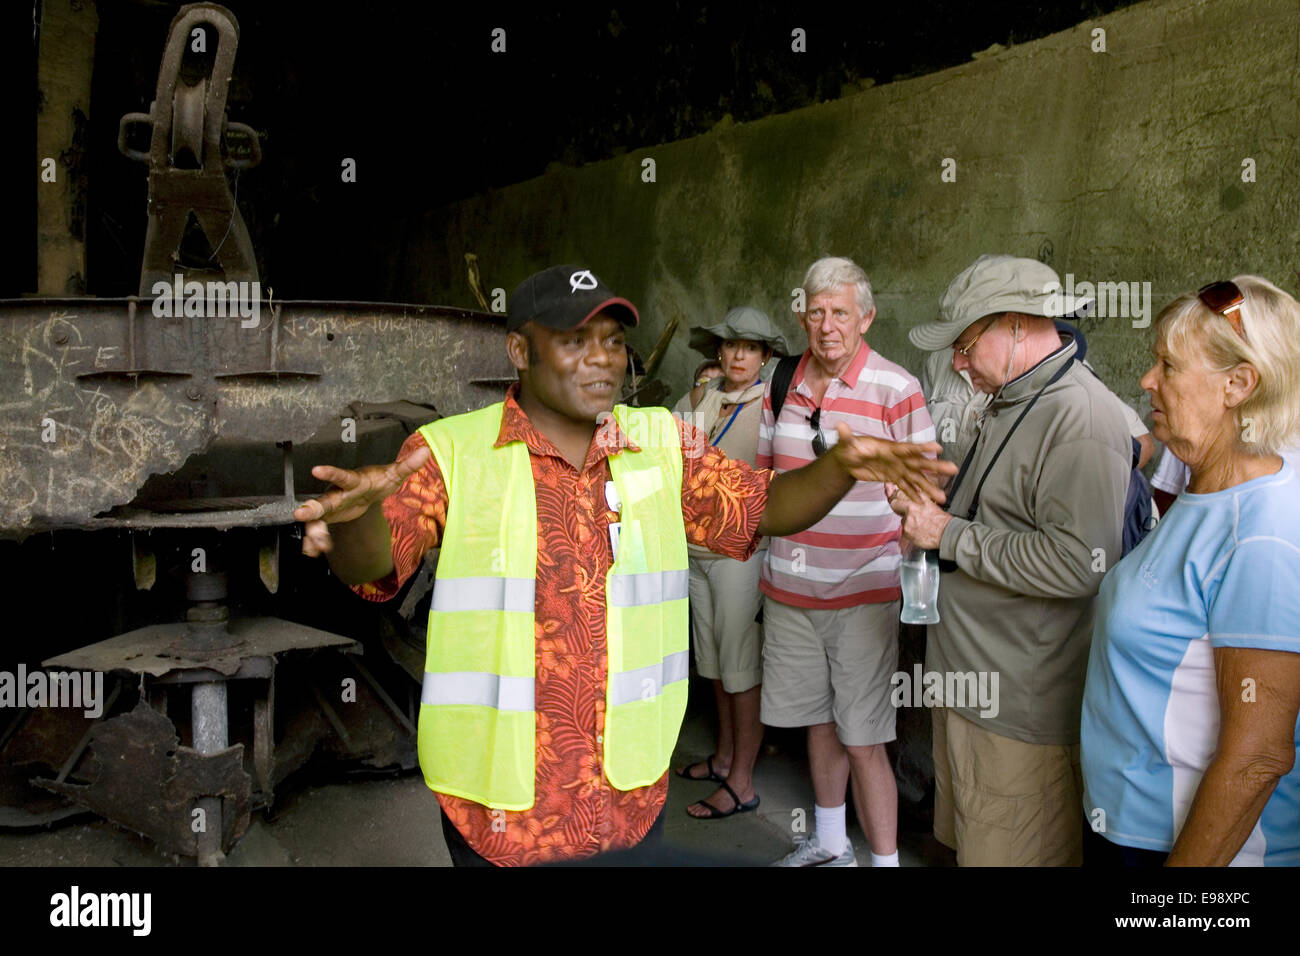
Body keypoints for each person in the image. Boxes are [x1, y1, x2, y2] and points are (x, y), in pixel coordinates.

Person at [292, 264, 955, 867]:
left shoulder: (661, 443)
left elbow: (763, 509)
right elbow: (374, 564)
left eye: (613, 340)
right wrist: (354, 519)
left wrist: (839, 467)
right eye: (575, 341)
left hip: (625, 803)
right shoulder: (453, 450)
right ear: (520, 351)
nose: (603, 359)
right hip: (497, 811)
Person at [888, 253, 1132, 866]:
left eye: (966, 345)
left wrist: (946, 532)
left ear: (1018, 326)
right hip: (972, 693)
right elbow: (998, 520)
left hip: (1016, 715)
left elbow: (1081, 563)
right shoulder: (1016, 399)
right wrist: (929, 505)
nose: (957, 363)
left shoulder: (1078, 414)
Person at [1081, 275, 1300, 866]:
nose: (1147, 380)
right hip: (1132, 824)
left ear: (1238, 384)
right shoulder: (1205, 486)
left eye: (1168, 366)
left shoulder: (1265, 528)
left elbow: (1259, 755)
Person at [761, 256, 935, 867]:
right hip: (789, 590)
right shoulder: (778, 384)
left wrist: (904, 502)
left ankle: (884, 862)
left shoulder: (898, 387)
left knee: (864, 737)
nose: (827, 324)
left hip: (864, 590)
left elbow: (925, 489)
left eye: (840, 312)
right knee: (817, 721)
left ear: (867, 316)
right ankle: (831, 844)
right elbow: (762, 482)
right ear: (803, 316)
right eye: (816, 311)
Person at [671, 308, 794, 819]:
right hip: (697, 551)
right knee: (716, 665)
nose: (738, 355)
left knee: (742, 667)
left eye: (750, 347)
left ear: (766, 356)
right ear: (717, 352)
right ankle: (723, 758)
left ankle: (742, 782)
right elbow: (671, 447)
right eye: (730, 346)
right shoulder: (702, 397)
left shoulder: (774, 404)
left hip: (743, 552)